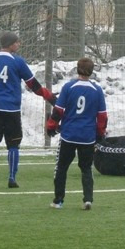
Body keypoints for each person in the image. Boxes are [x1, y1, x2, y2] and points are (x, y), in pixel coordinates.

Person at [0, 31, 56, 188]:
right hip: (11, 109)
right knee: (13, 144)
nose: (19, 44)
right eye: (17, 42)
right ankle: (12, 178)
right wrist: (49, 97)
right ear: (11, 44)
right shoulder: (18, 61)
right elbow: (33, 85)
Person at [46, 57, 108, 210]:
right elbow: (102, 116)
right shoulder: (97, 90)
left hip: (69, 135)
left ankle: (58, 201)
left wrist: (51, 126)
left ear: (77, 69)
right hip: (87, 137)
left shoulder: (69, 87)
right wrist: (100, 134)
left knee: (61, 168)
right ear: (91, 71)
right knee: (86, 168)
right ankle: (88, 199)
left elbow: (58, 110)